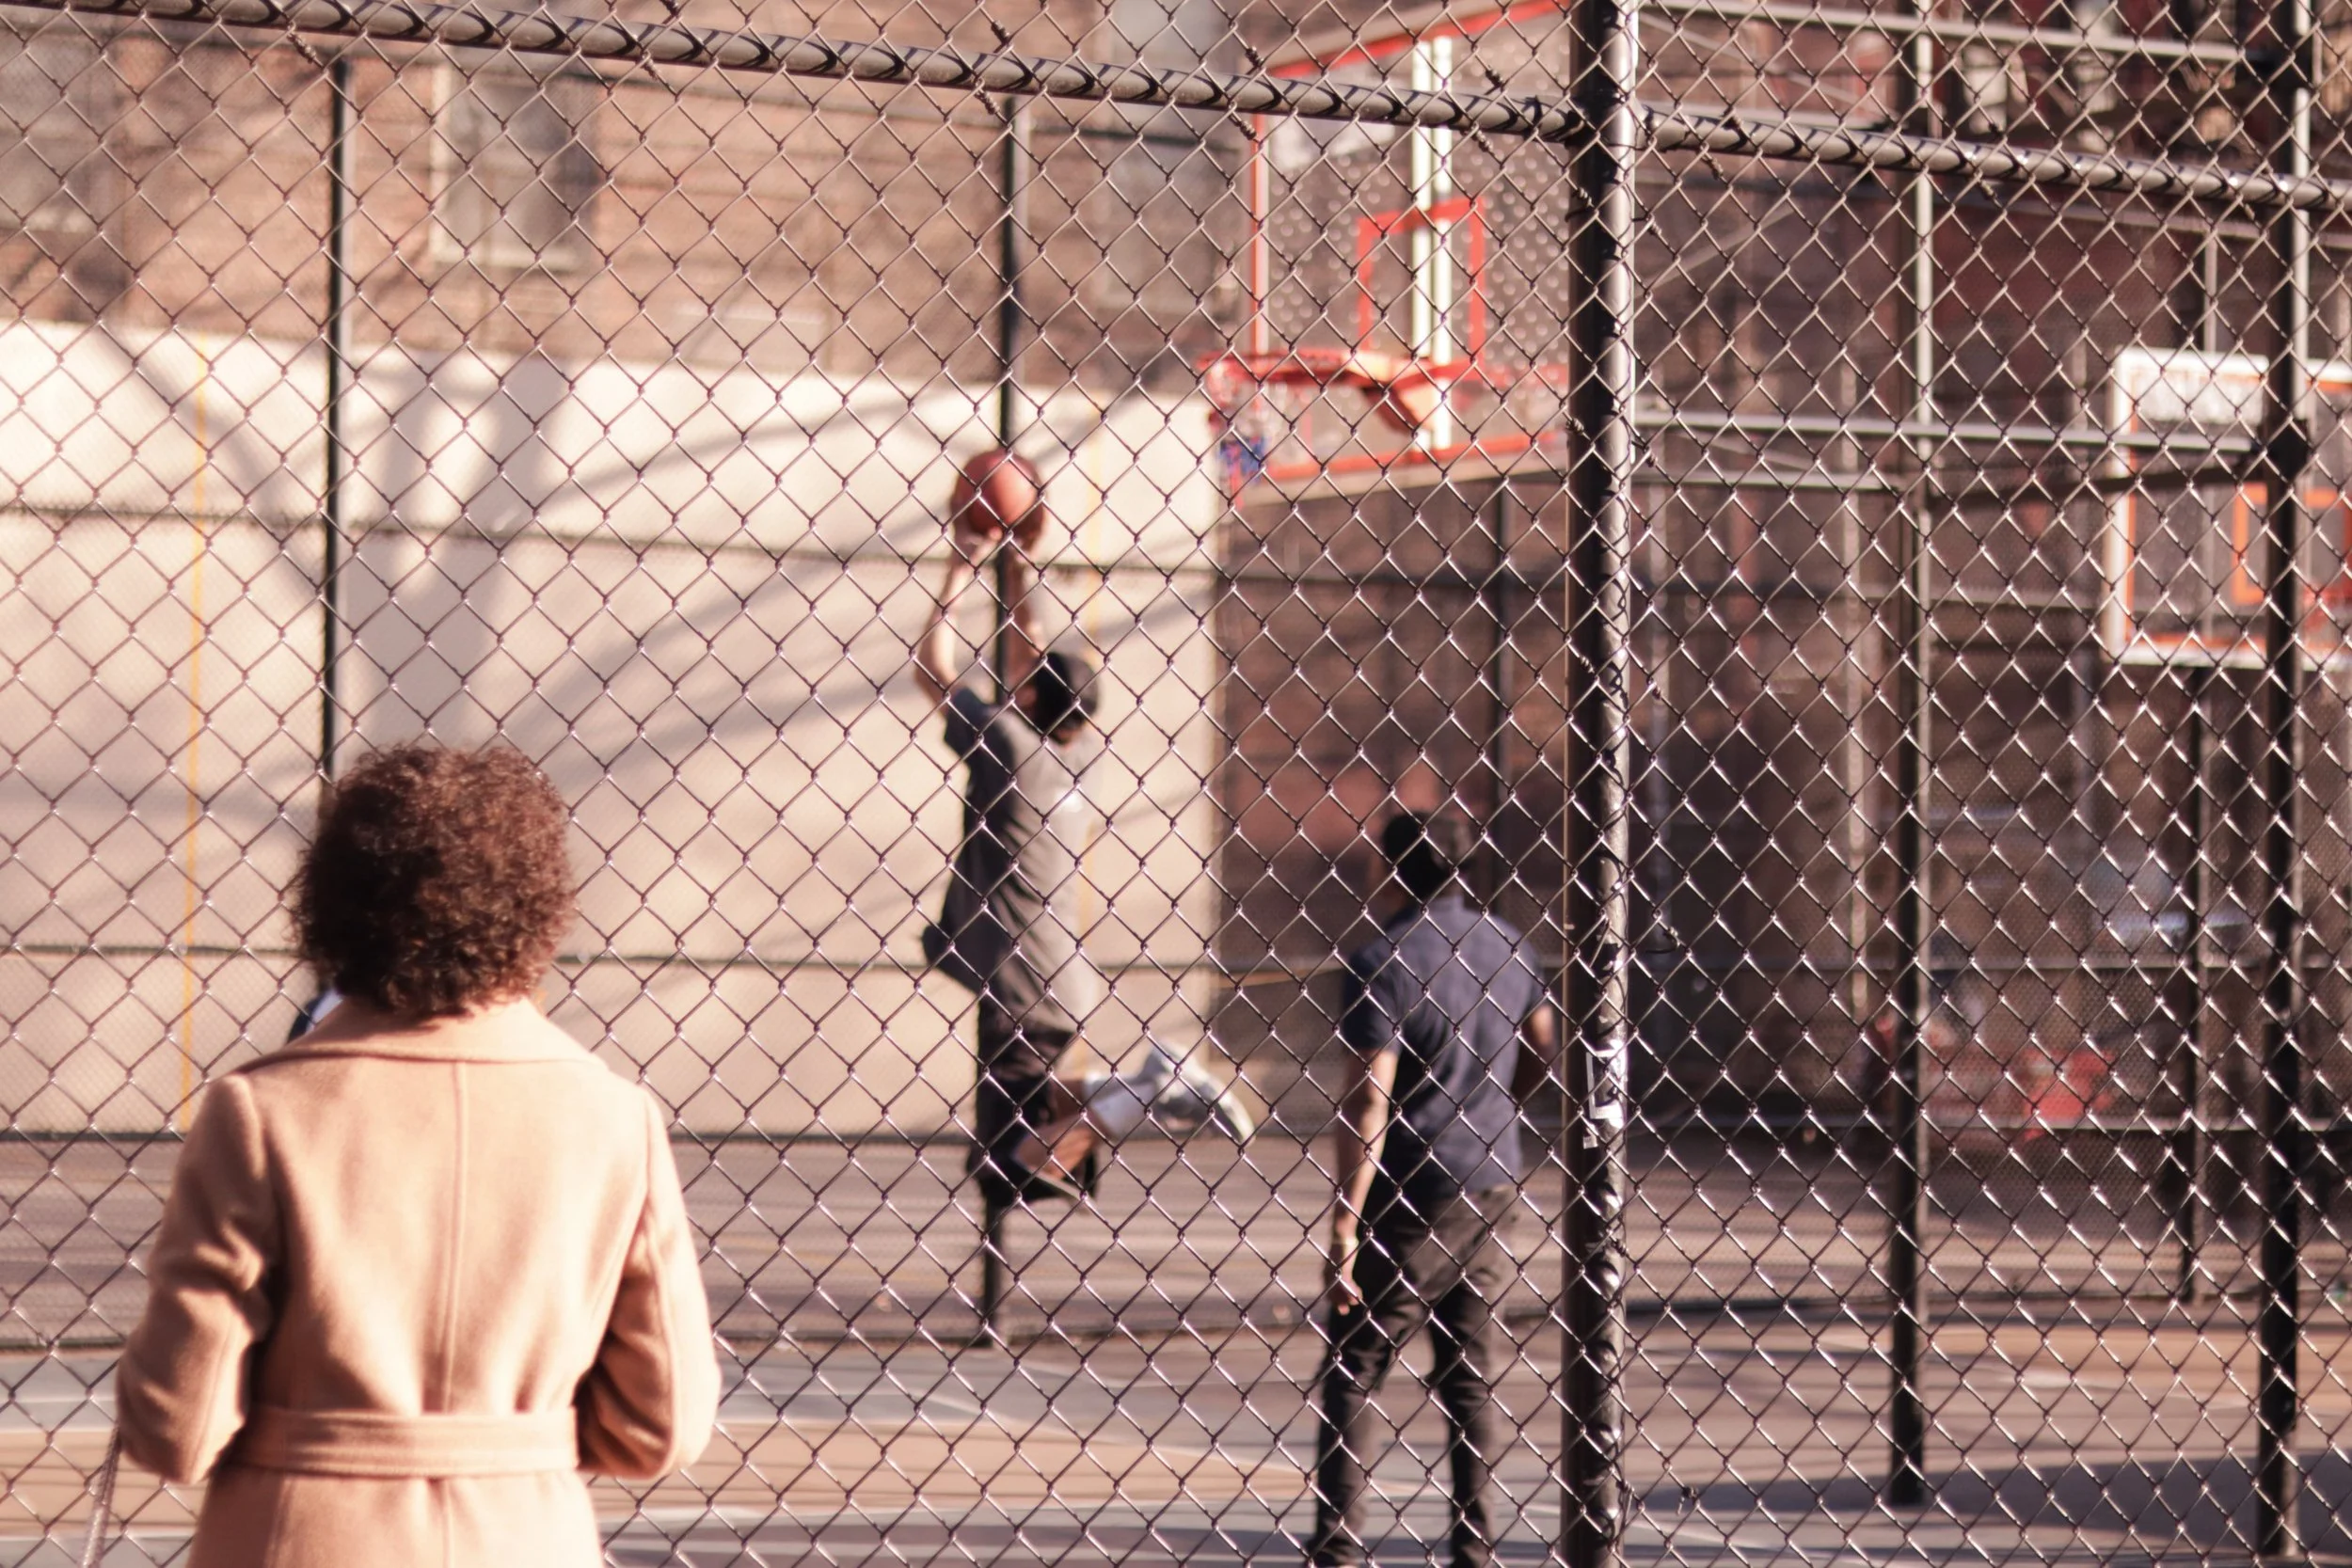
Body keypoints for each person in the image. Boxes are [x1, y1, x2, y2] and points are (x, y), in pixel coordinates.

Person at [116, 744, 719, 1568]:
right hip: (522, 1536)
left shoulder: (259, 1112)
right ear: (538, 908)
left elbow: (178, 1430)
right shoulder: (617, 1119)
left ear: (333, 906)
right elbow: (664, 1423)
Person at [912, 448, 1252, 1206]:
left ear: (1031, 701)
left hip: (1023, 986)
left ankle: (1152, 1088)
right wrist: (1017, 572)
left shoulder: (1010, 748)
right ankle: (1140, 1084)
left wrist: (961, 572)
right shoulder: (1075, 756)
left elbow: (932, 670)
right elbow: (1029, 658)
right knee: (1030, 1126)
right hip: (1050, 978)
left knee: (1006, 1165)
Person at [1311, 809, 1556, 1568]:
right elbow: (1543, 1046)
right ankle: (1474, 1548)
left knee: (1356, 1365)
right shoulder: (1509, 945)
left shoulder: (1381, 959)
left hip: (1413, 1187)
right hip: (1490, 1177)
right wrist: (1497, 1104)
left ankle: (1338, 1548)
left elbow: (1369, 1099)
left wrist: (1345, 1221)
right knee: (1469, 1374)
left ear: (1390, 870)